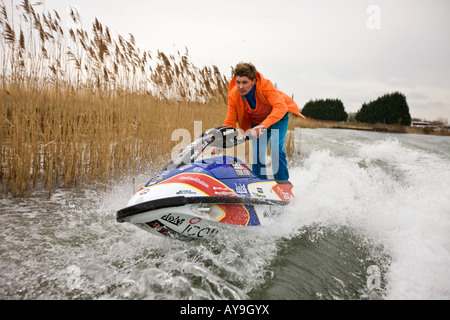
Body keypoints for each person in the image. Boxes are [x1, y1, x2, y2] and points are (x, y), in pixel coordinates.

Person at [214, 62, 305, 181]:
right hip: (257, 123)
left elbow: (281, 107)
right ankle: (259, 184)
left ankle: (283, 185)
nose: (240, 86)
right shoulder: (234, 94)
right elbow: (230, 122)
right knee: (257, 154)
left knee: (276, 149)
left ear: (253, 81)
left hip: (277, 119)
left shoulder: (265, 85)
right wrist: (221, 142)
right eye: (238, 82)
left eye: (245, 82)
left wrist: (264, 125)